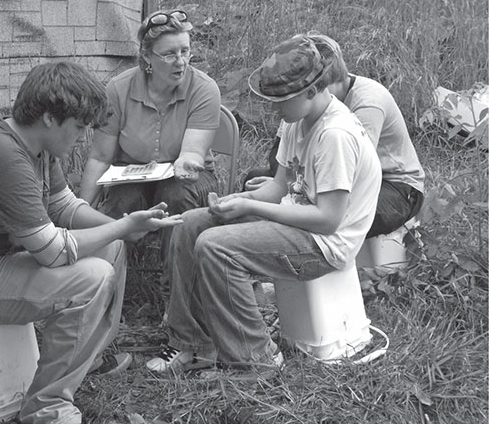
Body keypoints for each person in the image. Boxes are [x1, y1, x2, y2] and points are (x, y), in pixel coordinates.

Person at [0, 61, 182, 424]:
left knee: (110, 248)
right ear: (50, 118)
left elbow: (63, 205)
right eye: (79, 127)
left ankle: (87, 358)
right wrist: (121, 227)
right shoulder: (4, 158)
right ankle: (47, 407)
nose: (83, 136)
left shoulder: (35, 147)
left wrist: (124, 226)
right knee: (92, 278)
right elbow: (53, 252)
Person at [145, 35, 382, 373]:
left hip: (326, 244)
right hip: (298, 225)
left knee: (216, 247)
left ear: (312, 90)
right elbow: (278, 188)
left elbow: (329, 220)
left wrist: (252, 209)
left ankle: (257, 360)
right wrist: (237, 200)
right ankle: (193, 344)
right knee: (192, 224)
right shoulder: (296, 121)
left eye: (281, 100)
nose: (274, 108)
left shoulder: (335, 135)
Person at [79, 9, 221, 301]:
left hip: (187, 174)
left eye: (185, 51)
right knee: (122, 200)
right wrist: (80, 209)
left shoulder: (204, 89)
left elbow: (192, 152)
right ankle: (104, 287)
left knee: (177, 196)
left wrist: (184, 164)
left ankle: (178, 296)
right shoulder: (118, 89)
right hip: (132, 170)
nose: (180, 61)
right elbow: (101, 156)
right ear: (147, 58)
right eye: (169, 54)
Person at [243, 33, 425, 238]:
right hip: (323, 177)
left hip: (394, 186)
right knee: (256, 179)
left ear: (319, 85)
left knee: (340, 213)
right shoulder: (302, 106)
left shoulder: (367, 103)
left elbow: (353, 175)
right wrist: (279, 186)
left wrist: (291, 192)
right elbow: (280, 155)